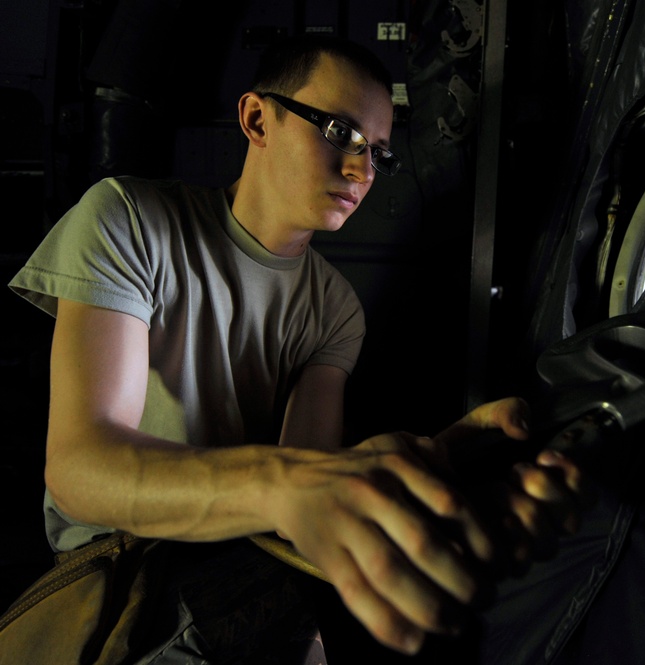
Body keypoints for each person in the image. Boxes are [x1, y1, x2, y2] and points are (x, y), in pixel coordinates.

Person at [7, 34, 588, 661]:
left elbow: (307, 492)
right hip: (120, 579)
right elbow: (81, 470)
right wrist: (287, 484)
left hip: (247, 574)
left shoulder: (334, 310)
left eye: (380, 153)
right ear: (258, 118)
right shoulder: (129, 220)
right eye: (340, 131)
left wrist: (426, 474)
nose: (362, 170)